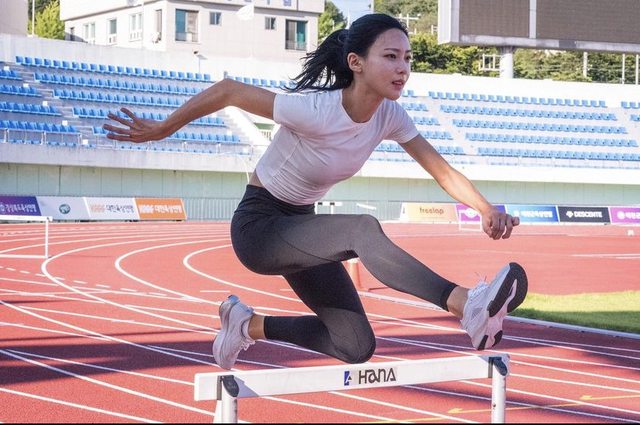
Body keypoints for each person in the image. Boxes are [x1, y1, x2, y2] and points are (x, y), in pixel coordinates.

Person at [104, 13, 528, 370]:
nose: (403, 68)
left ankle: (245, 325)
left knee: (354, 344)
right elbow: (229, 90)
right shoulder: (316, 109)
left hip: (300, 229)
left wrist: (485, 208)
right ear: (355, 62)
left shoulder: (391, 116)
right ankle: (464, 305)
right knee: (361, 228)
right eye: (390, 56)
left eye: (407, 58)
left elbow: (442, 170)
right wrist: (162, 129)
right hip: (260, 228)